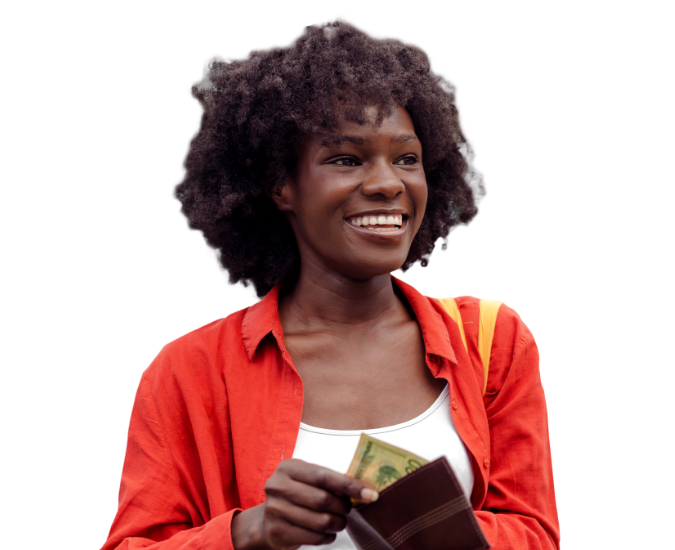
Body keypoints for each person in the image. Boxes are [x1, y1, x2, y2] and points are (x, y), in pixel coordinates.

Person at [101, 15, 560, 550]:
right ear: (280, 185)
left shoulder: (492, 343)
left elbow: (536, 534)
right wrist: (247, 532)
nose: (390, 183)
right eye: (346, 158)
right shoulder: (188, 372)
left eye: (407, 159)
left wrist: (429, 523)